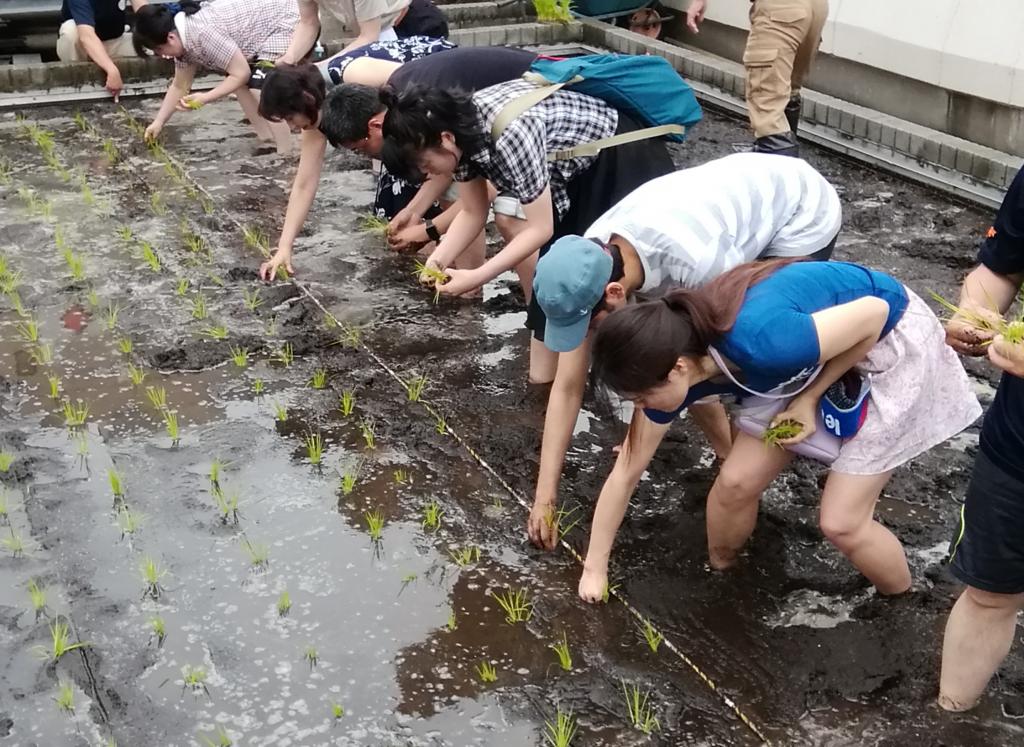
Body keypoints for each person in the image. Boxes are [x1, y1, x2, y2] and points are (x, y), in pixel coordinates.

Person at [577, 259, 981, 603]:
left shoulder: (764, 343)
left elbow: (874, 315)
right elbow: (626, 471)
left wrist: (809, 399)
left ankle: (903, 603)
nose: (639, 408)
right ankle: (724, 572)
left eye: (642, 398)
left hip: (890, 340)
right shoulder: (677, 359)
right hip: (811, 352)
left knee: (842, 522)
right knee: (734, 484)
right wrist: (594, 570)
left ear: (677, 369)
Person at [526, 152, 842, 549]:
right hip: (726, 202)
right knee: (671, 356)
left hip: (799, 211)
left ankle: (751, 453)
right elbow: (568, 386)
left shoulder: (700, 265)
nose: (587, 337)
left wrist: (643, 432)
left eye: (588, 325)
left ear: (615, 293)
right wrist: (545, 496)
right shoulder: (588, 258)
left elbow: (690, 368)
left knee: (748, 349)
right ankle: (725, 449)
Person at [379, 81, 675, 384]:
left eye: (427, 165)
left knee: (599, 280)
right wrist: (439, 260)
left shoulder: (509, 134)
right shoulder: (459, 137)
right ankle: (545, 381)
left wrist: (478, 275)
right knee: (555, 279)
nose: (430, 175)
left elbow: (540, 229)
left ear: (444, 139)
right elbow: (473, 211)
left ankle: (627, 377)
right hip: (572, 175)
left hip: (619, 157)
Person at [255, 46, 538, 281]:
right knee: (440, 184)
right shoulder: (329, 115)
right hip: (458, 115)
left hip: (527, 89)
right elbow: (304, 183)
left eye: (289, 119)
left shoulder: (395, 94)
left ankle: (476, 285)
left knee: (506, 214)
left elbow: (471, 186)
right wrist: (284, 247)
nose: (293, 128)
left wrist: (429, 228)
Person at [939, 168, 1024, 712]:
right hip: (1015, 448)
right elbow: (996, 272)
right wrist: (975, 308)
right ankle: (949, 716)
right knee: (990, 594)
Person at [132, 0, 298, 152]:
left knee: (259, 87)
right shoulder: (183, 43)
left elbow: (241, 73)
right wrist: (158, 122)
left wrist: (205, 98)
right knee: (239, 85)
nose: (161, 56)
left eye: (159, 50)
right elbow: (180, 86)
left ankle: (286, 153)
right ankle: (267, 139)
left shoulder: (201, 33)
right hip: (259, 29)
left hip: (284, 20)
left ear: (171, 37)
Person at [686, 0, 828, 156]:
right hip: (817, 7)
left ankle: (776, 165)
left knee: (768, 106)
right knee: (788, 89)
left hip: (781, 10)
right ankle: (777, 156)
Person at [57, 0, 148, 102]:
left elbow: (145, 13)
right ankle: (75, 86)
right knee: (71, 32)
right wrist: (111, 70)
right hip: (82, 43)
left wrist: (164, 41)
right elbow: (87, 36)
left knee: (150, 45)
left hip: (114, 40)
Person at [278, 0, 415, 66]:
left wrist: (323, 65)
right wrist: (290, 56)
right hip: (367, 32)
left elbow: (369, 36)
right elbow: (308, 22)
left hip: (404, 25)